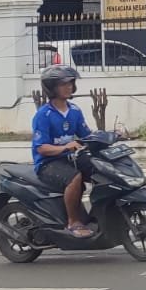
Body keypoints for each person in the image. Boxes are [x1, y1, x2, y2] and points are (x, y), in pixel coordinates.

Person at [31, 64, 95, 237]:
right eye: (63, 84)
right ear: (52, 88)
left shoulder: (74, 110)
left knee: (100, 169)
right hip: (47, 163)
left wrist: (110, 136)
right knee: (75, 177)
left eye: (70, 83)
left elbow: (86, 136)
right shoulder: (43, 115)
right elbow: (41, 148)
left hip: (70, 158)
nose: (68, 87)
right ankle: (73, 222)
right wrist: (65, 147)